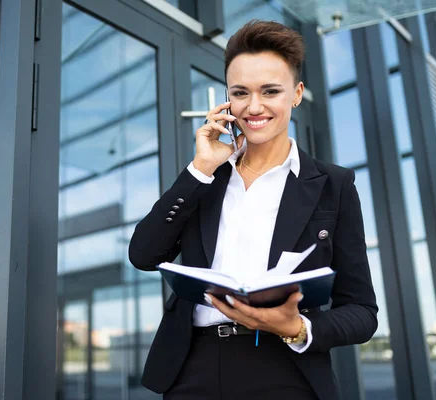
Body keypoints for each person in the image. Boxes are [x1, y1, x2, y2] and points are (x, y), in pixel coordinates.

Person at [128, 21, 378, 400]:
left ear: (296, 94)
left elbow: (361, 311)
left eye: (270, 91)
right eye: (241, 92)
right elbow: (144, 255)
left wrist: (298, 327)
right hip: (192, 368)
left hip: (286, 369)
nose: (254, 106)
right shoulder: (207, 178)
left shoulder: (334, 185)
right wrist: (200, 170)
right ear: (227, 97)